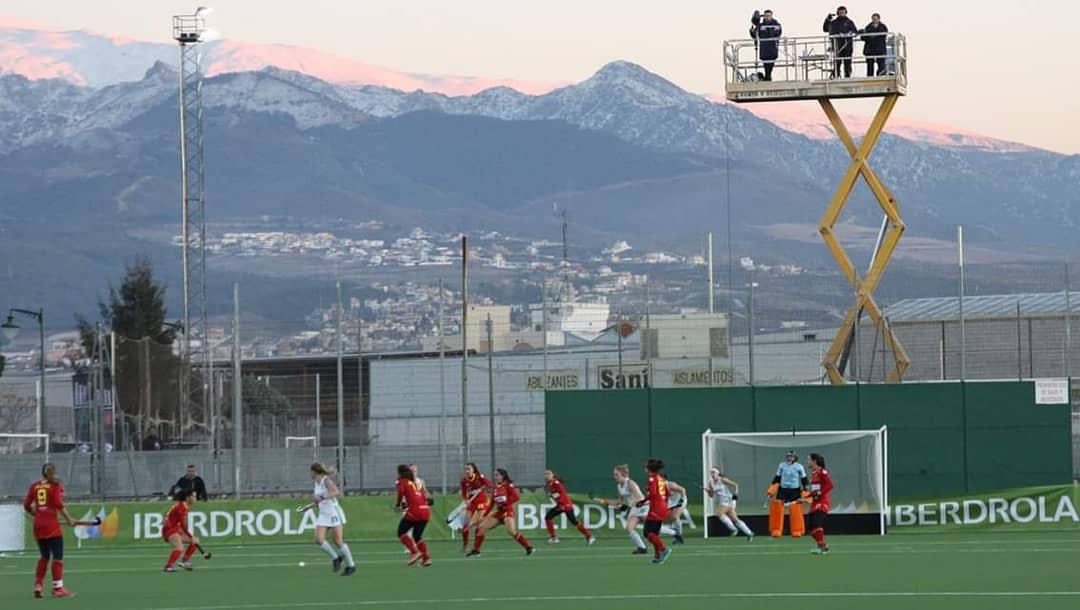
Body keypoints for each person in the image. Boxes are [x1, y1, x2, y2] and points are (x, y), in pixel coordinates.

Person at [23, 463, 76, 598]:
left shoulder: (34, 486)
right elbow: (58, 504)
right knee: (57, 556)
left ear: (43, 473)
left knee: (44, 556)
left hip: (38, 525)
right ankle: (58, 588)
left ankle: (38, 585)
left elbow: (27, 505)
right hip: (51, 525)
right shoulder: (55, 485)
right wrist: (69, 519)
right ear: (54, 472)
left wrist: (35, 513)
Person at [299, 463, 356, 576]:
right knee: (318, 539)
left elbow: (336, 492)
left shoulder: (326, 480)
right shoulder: (316, 483)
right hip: (324, 514)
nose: (310, 474)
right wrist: (309, 507)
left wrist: (322, 497)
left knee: (338, 541)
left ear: (315, 472)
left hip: (333, 512)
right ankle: (336, 558)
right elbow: (320, 500)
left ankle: (351, 566)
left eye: (310, 471)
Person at [467, 468, 534, 558]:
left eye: (497, 475)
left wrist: (506, 504)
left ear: (503, 476)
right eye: (494, 475)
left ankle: (528, 547)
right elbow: (491, 504)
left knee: (511, 531)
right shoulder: (495, 488)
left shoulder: (508, 485)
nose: (495, 477)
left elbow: (516, 497)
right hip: (499, 513)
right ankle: (476, 551)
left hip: (507, 511)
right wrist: (484, 515)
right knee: (481, 528)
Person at [595, 464, 649, 554]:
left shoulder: (630, 483)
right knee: (629, 528)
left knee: (651, 529)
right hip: (635, 508)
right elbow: (619, 501)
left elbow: (640, 498)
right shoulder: (619, 486)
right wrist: (604, 501)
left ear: (623, 474)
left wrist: (627, 505)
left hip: (643, 506)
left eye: (616, 474)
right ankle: (642, 548)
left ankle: (673, 533)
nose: (614, 477)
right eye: (614, 474)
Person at [542, 468, 594, 545]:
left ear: (553, 475)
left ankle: (589, 536)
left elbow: (562, 494)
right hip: (561, 504)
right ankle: (554, 538)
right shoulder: (549, 484)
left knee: (573, 521)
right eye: (545, 474)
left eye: (549, 474)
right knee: (548, 517)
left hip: (565, 504)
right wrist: (553, 496)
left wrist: (562, 504)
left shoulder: (556, 483)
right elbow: (556, 494)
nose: (547, 475)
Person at [395, 464, 432, 567]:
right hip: (426, 511)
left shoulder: (402, 481)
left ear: (400, 473)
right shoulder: (415, 483)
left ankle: (414, 552)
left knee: (401, 532)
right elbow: (420, 497)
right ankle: (426, 558)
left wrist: (398, 505)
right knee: (417, 536)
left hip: (416, 511)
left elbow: (401, 492)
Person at [704, 467, 754, 540]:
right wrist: (708, 491)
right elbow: (711, 495)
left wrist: (735, 498)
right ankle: (749, 533)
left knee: (719, 513)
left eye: (714, 472)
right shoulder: (710, 483)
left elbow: (735, 485)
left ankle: (733, 529)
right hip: (723, 502)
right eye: (711, 472)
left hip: (729, 500)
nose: (712, 474)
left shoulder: (722, 480)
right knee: (735, 520)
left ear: (718, 473)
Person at [767, 451, 809, 537]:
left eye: (791, 456)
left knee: (796, 509)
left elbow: (804, 479)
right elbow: (777, 478)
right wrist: (772, 489)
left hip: (795, 490)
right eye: (788, 456)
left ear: (795, 458)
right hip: (783, 490)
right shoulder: (782, 465)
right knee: (778, 509)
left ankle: (797, 530)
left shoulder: (799, 466)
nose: (789, 458)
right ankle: (776, 529)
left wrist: (805, 489)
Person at [638, 458, 672, 564]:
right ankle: (658, 556)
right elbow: (668, 493)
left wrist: (643, 501)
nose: (644, 468)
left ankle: (663, 549)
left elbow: (652, 494)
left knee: (647, 532)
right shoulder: (661, 479)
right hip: (663, 507)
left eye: (646, 466)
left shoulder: (652, 479)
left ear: (649, 468)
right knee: (654, 533)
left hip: (656, 508)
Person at [162, 489, 199, 573]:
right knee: (179, 547)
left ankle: (185, 561)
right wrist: (190, 536)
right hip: (170, 530)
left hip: (174, 529)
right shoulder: (181, 507)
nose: (195, 498)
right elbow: (182, 524)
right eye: (194, 496)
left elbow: (176, 521)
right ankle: (168, 567)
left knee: (195, 541)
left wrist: (186, 534)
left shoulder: (183, 506)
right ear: (187, 497)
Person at [458, 462, 492, 554]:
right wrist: (466, 500)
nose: (467, 471)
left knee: (479, 525)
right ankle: (465, 545)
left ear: (473, 470)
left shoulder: (479, 477)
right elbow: (464, 493)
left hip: (481, 500)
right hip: (471, 502)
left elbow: (489, 484)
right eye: (465, 469)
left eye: (469, 469)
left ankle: (476, 547)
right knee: (465, 524)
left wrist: (480, 489)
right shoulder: (464, 481)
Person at [807, 453, 835, 555]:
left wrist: (820, 493)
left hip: (822, 502)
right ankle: (822, 545)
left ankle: (822, 547)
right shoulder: (813, 473)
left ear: (814, 461)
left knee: (816, 523)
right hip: (814, 503)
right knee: (810, 527)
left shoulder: (822, 472)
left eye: (809, 460)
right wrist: (806, 497)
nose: (807, 462)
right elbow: (815, 490)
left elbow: (830, 485)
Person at [823, 6, 858, 78]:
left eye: (843, 12)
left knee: (847, 62)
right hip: (837, 46)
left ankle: (847, 76)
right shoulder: (834, 23)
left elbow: (855, 31)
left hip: (847, 45)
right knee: (837, 62)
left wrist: (849, 33)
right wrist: (827, 19)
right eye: (840, 12)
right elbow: (825, 29)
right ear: (838, 13)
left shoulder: (849, 22)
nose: (842, 14)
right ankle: (836, 76)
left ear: (846, 13)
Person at [750, 10, 782, 81]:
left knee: (771, 64)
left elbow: (778, 33)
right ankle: (768, 77)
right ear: (764, 16)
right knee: (766, 65)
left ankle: (767, 77)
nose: (767, 17)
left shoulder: (776, 25)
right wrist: (752, 28)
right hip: (764, 49)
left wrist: (770, 30)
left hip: (773, 48)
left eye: (769, 15)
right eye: (766, 16)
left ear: (772, 16)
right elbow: (755, 34)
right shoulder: (760, 25)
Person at [663, 478, 689, 544]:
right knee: (671, 518)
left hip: (680, 500)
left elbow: (683, 490)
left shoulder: (671, 485)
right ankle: (676, 535)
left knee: (675, 517)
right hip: (671, 502)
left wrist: (680, 502)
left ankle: (679, 537)